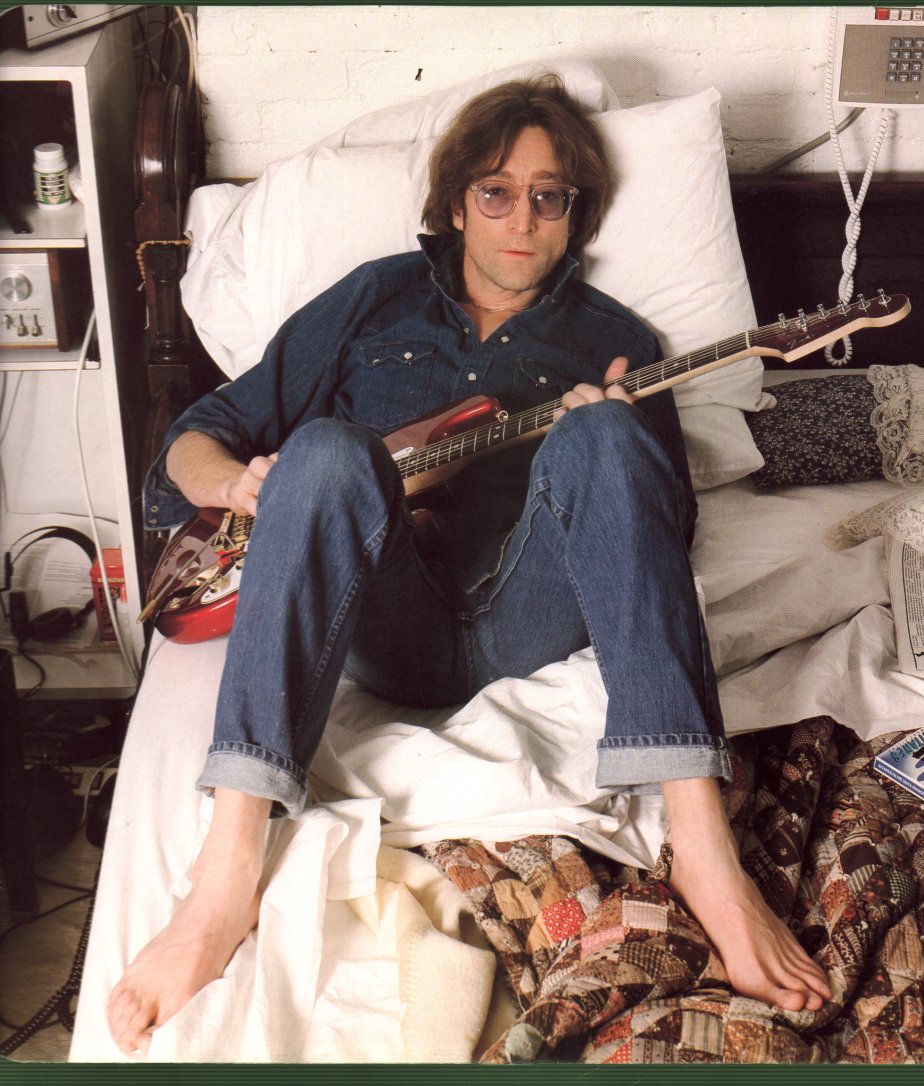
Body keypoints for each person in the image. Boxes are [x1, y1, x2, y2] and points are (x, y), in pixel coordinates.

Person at [107, 74, 830, 1055]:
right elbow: (194, 440)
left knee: (608, 437)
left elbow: (661, 537)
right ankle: (227, 871)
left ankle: (703, 849)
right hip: (384, 613)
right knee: (324, 450)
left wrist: (613, 445)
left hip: (530, 617)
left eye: (549, 197)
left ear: (575, 213)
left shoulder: (618, 342)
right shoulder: (373, 299)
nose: (522, 220)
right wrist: (241, 486)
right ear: (456, 203)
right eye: (497, 192)